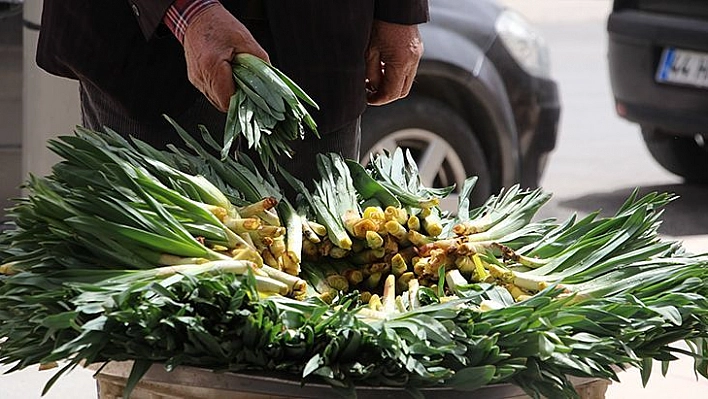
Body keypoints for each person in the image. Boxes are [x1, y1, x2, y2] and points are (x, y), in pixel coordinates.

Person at [36, 0, 428, 184]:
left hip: (322, 47)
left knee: (314, 303)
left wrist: (401, 8)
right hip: (152, 56)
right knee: (162, 318)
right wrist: (187, 11)